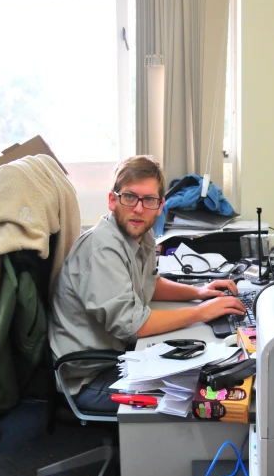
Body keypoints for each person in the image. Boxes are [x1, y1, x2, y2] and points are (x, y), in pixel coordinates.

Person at [50, 155, 246, 412]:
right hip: (90, 378)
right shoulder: (103, 249)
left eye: (149, 200)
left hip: (118, 355)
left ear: (160, 205)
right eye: (129, 197)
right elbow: (135, 325)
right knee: (190, 395)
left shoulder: (141, 234)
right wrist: (201, 312)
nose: (139, 208)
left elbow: (150, 282)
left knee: (205, 371)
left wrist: (199, 292)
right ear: (112, 200)